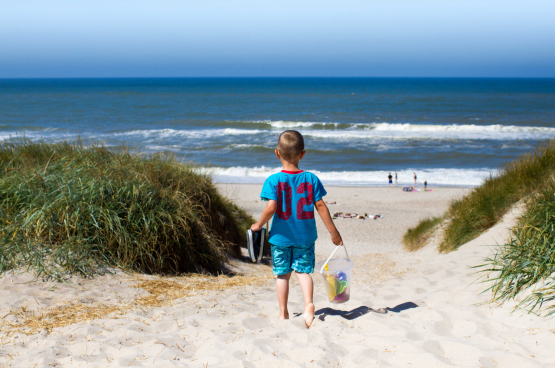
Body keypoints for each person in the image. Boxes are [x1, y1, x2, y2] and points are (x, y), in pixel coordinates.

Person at [251, 130, 343, 328]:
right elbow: (321, 206)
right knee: (303, 273)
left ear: (277, 153)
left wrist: (258, 225)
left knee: (282, 275)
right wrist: (333, 232)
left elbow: (271, 207)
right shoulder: (311, 179)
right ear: (303, 154)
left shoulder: (273, 181)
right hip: (305, 236)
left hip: (280, 238)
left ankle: (283, 311)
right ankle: (308, 304)